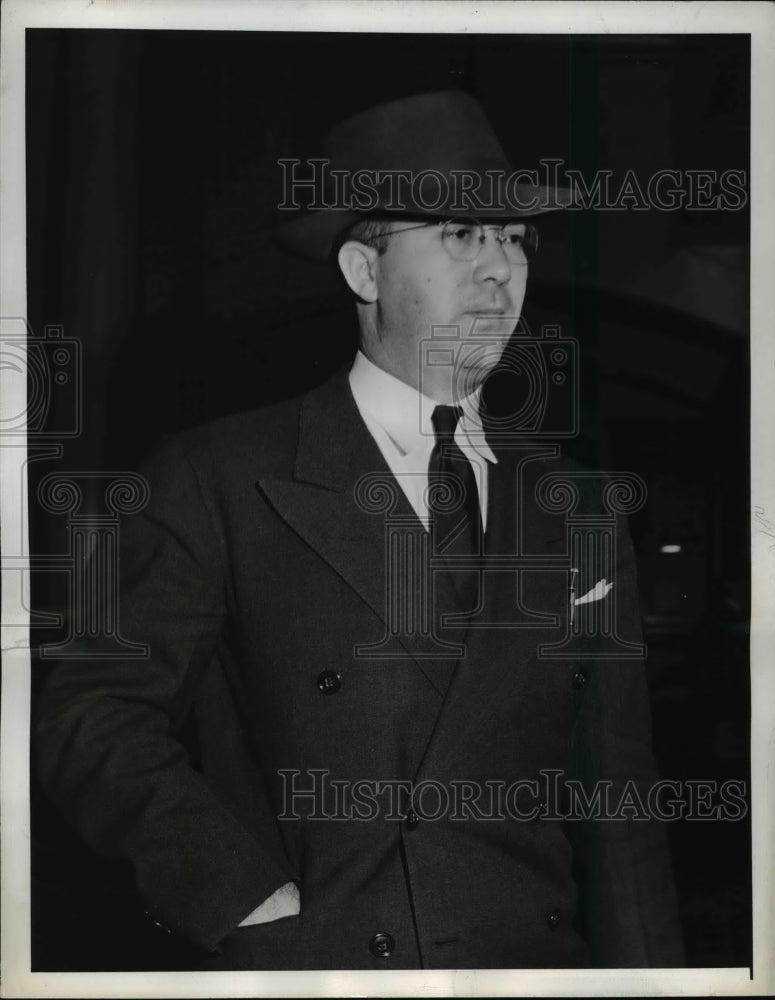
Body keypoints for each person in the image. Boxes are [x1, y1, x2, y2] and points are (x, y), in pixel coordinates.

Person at [34, 90, 684, 970]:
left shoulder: (580, 514)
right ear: (363, 272)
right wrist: (237, 893)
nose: (500, 269)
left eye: (514, 239)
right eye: (461, 232)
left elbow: (619, 811)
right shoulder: (215, 476)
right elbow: (90, 711)